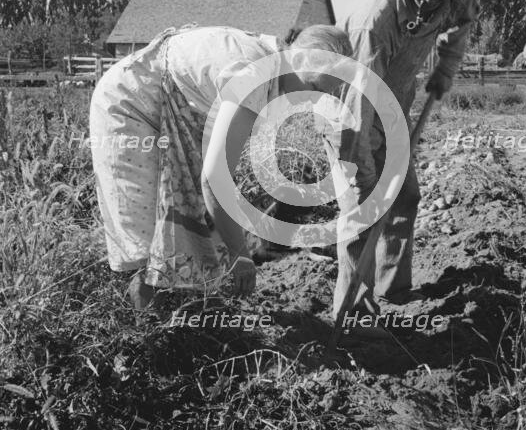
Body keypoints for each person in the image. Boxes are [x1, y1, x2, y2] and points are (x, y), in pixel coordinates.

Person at [89, 24, 352, 309]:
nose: (310, 100)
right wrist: (240, 254)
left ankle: (199, 325)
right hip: (131, 108)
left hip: (173, 114)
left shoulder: (272, 62)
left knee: (195, 223)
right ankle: (148, 335)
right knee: (148, 245)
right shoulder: (254, 77)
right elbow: (215, 180)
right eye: (312, 87)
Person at [331, 0, 481, 320]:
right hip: (348, 113)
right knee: (363, 208)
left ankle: (392, 288)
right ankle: (353, 313)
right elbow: (355, 110)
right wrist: (364, 177)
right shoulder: (375, 20)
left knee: (405, 196)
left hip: (392, 107)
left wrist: (445, 69)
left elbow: (464, 21)